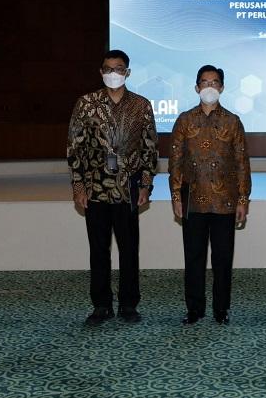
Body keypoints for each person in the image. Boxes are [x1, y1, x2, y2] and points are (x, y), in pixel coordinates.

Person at [67, 49, 158, 326]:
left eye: (118, 68)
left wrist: (145, 185)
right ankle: (101, 305)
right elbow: (75, 147)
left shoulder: (141, 105)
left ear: (127, 72)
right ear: (100, 71)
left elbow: (150, 148)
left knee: (129, 249)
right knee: (99, 249)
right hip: (95, 188)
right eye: (108, 68)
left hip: (128, 189)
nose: (113, 73)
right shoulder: (86, 103)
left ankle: (129, 304)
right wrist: (78, 186)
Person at [169, 65, 251, 326]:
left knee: (222, 259)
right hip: (193, 199)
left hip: (225, 202)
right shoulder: (184, 120)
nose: (209, 87)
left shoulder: (233, 121)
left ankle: (221, 310)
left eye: (215, 83)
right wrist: (175, 197)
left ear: (222, 88)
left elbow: (241, 163)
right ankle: (194, 309)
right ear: (196, 88)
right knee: (193, 258)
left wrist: (243, 200)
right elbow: (175, 161)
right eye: (204, 83)